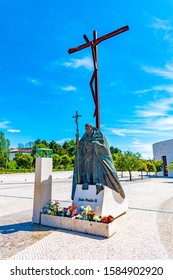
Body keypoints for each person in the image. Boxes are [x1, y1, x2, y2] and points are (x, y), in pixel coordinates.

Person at [71, 123, 125, 200]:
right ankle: (87, 181)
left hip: (96, 155)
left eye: (88, 129)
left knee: (95, 168)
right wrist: (78, 140)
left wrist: (96, 144)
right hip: (87, 155)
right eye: (86, 129)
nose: (87, 130)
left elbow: (104, 146)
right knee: (87, 168)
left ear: (91, 128)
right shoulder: (85, 136)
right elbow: (80, 145)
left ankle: (97, 181)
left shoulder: (99, 135)